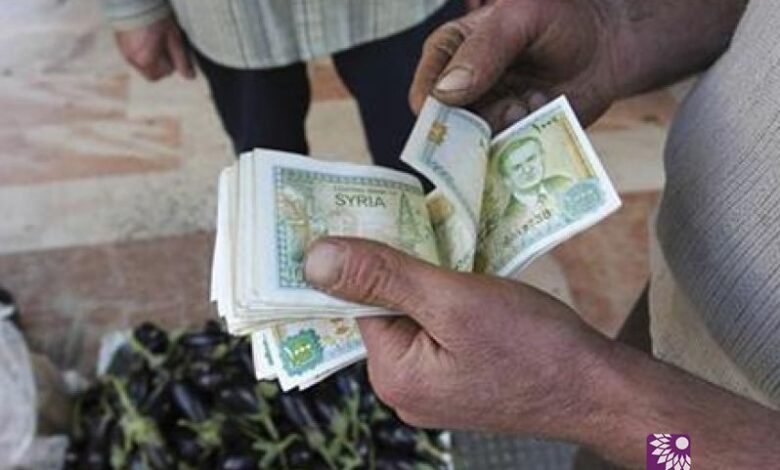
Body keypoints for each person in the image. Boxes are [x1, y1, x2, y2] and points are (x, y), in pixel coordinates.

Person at [299, 0, 780, 468]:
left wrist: (598, 404)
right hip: (669, 318)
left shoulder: (616, 405)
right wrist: (612, 33)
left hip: (682, 441)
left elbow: (660, 448)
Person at [100, 0, 467, 172]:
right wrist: (132, 9)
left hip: (406, 8)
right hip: (232, 15)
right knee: (267, 179)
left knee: (431, 171)